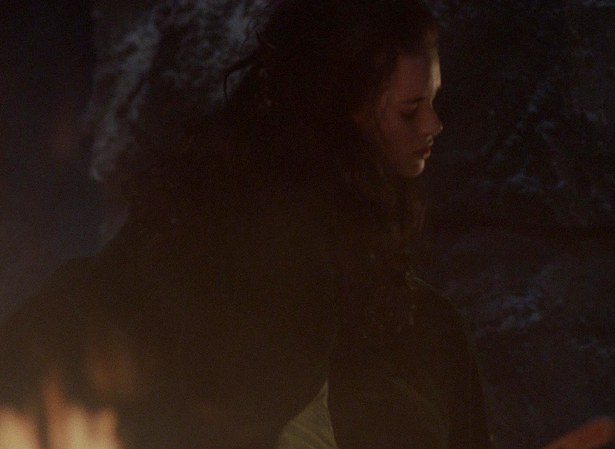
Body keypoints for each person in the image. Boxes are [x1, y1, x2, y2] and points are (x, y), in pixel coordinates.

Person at [0, 1, 493, 448]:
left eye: (432, 101)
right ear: (344, 110)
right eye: (410, 110)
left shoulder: (421, 324)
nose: (433, 125)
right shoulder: (252, 247)